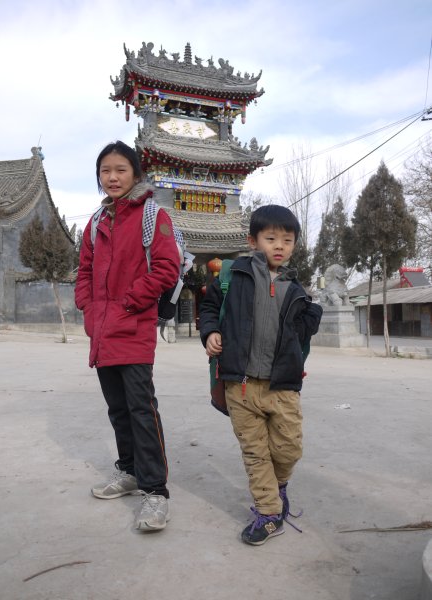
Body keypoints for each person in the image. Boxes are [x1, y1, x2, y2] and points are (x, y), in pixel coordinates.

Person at [199, 205, 323, 546]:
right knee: (255, 453)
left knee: (288, 449)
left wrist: (300, 350)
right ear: (253, 241)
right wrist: (209, 333)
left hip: (282, 386)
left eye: (287, 240)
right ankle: (268, 513)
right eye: (270, 238)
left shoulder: (297, 290)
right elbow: (208, 309)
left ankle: (279, 487)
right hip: (239, 384)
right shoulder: (232, 276)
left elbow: (301, 336)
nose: (279, 246)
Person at [75, 140, 180, 532]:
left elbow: (167, 268)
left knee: (141, 410)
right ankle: (130, 471)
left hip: (132, 328)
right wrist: (87, 306)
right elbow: (83, 270)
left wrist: (128, 303)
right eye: (105, 171)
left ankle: (156, 492)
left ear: (135, 173)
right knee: (117, 409)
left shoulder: (153, 215)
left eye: (120, 169)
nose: (112, 177)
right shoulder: (96, 222)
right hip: (102, 332)